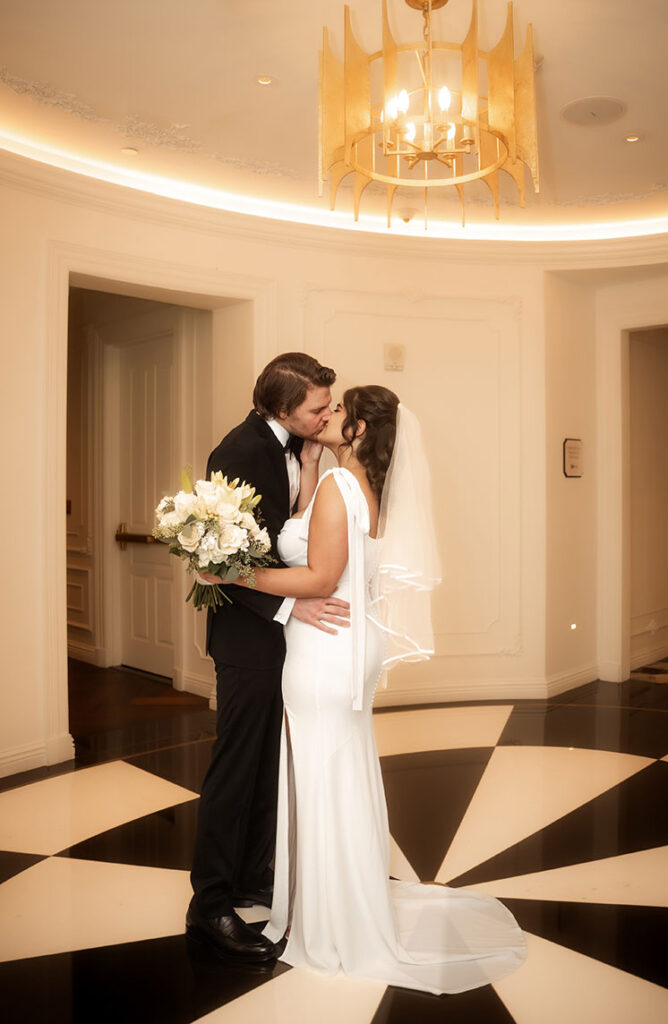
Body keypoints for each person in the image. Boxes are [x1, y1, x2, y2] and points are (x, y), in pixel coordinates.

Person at [231, 385, 527, 994]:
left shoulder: (343, 489)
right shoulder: (358, 488)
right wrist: (310, 467)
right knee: (336, 774)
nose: (326, 416)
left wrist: (230, 571)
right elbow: (309, 534)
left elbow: (319, 574)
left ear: (359, 429)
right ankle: (340, 901)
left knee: (321, 775)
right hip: (347, 646)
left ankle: (334, 922)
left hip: (324, 650)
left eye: (337, 412)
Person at [186, 352, 351, 964]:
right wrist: (288, 609)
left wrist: (309, 462)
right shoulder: (240, 451)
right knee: (236, 766)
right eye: (318, 407)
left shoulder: (294, 449)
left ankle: (253, 876)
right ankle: (209, 906)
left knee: (265, 764)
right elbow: (219, 562)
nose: (328, 413)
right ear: (283, 408)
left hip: (277, 634)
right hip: (246, 637)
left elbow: (282, 536)